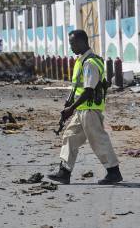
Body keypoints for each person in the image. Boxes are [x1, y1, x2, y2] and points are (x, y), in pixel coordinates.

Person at [47, 29, 122, 185]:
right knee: (70, 136)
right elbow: (78, 87)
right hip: (82, 109)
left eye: (73, 43)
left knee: (98, 140)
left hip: (89, 109)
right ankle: (64, 172)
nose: (71, 47)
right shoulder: (82, 61)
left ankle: (114, 172)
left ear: (82, 42)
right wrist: (69, 103)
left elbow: (88, 90)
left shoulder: (90, 63)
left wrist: (71, 108)